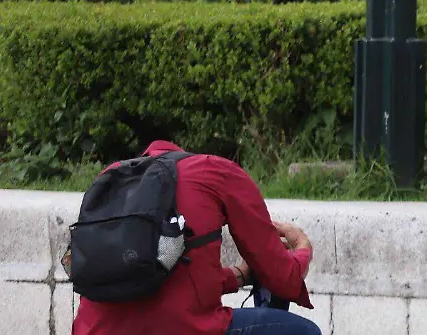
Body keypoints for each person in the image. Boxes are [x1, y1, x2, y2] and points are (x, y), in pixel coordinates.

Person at [73, 140, 321, 335]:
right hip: (186, 330)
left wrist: (239, 275)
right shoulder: (213, 170)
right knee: (306, 332)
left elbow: (149, 278)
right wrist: (302, 249)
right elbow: (283, 278)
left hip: (90, 330)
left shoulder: (109, 178)